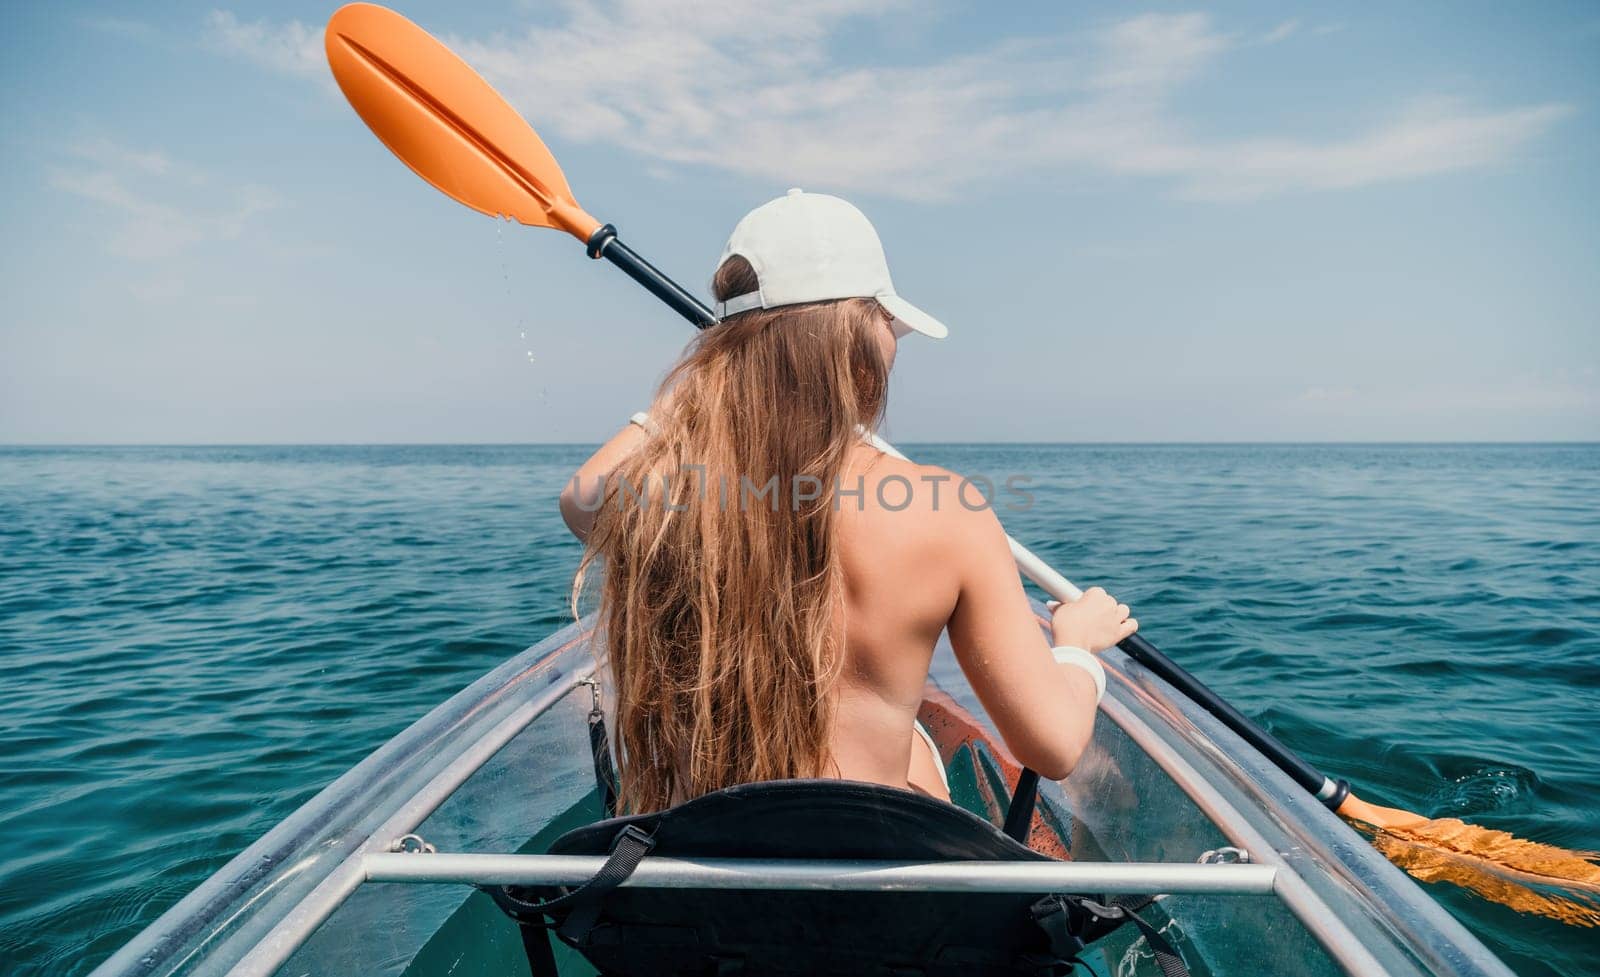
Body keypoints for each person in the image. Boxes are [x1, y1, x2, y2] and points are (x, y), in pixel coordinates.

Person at [560, 189, 1136, 813]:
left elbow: (582, 496)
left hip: (697, 873)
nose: (895, 344)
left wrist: (712, 371)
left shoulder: (663, 500)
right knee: (918, 749)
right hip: (867, 875)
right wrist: (1077, 647)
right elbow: (1053, 747)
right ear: (857, 338)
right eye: (888, 323)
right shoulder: (946, 512)